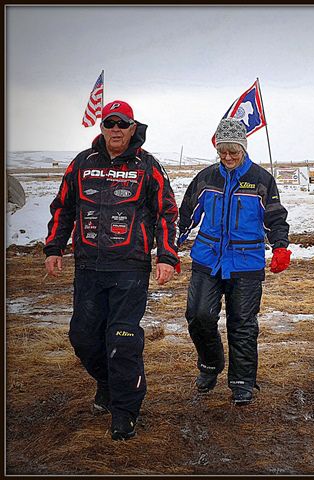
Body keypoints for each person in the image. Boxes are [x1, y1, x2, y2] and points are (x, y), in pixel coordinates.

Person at [43, 100, 180, 440]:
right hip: (88, 267)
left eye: (123, 123)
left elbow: (166, 212)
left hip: (130, 268)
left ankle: (125, 409)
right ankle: (106, 382)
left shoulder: (148, 166)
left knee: (122, 339)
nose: (115, 129)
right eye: (109, 123)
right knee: (83, 337)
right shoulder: (82, 163)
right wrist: (54, 247)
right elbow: (64, 206)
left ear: (134, 128)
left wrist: (166, 255)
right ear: (101, 127)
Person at [178, 117, 291, 405]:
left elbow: (275, 217)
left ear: (243, 148)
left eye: (233, 152)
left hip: (246, 264)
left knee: (242, 324)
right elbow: (186, 215)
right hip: (208, 260)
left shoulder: (262, 180)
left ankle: (242, 381)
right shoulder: (206, 178)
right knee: (199, 315)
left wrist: (280, 247)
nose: (227, 158)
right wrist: (171, 247)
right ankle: (210, 364)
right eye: (222, 152)